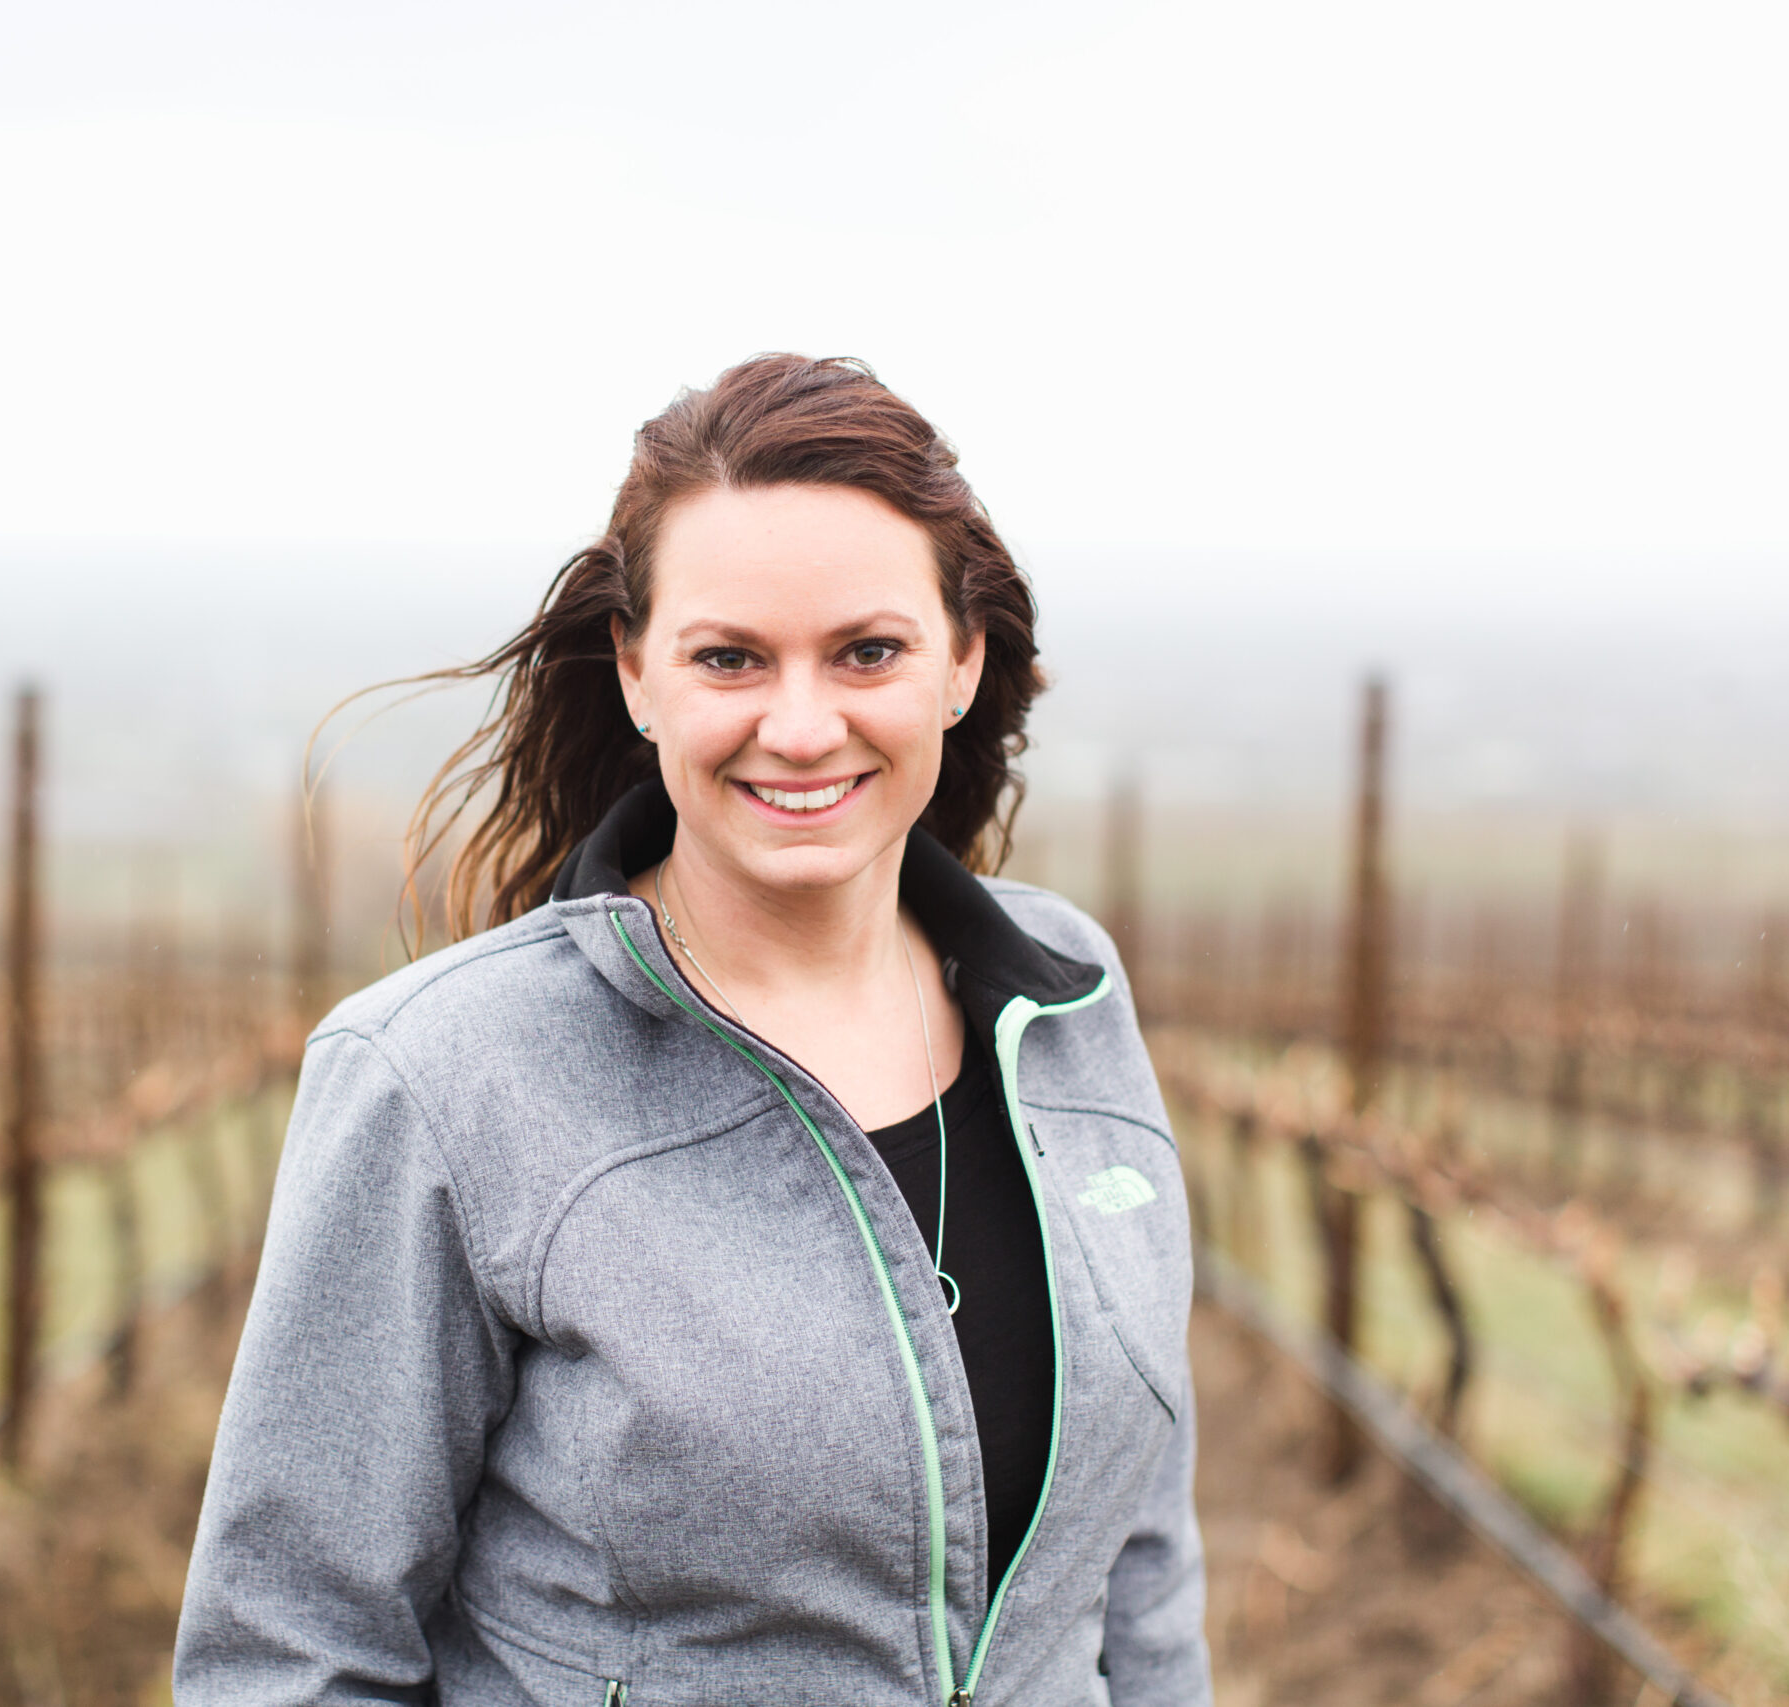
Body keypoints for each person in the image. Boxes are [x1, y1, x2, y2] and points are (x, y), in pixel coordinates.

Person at [174, 355, 1208, 1706]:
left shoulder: (1068, 997)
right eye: (730, 658)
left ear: (960, 663)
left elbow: (1138, 1562)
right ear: (637, 671)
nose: (799, 724)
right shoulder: (443, 1076)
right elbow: (292, 1653)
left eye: (868, 652)